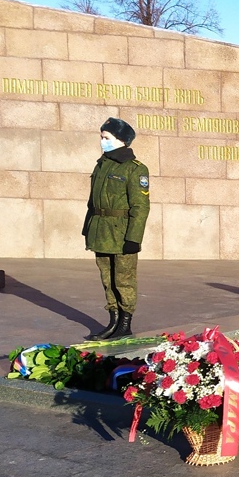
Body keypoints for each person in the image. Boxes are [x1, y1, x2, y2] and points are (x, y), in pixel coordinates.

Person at [83, 117, 150, 340]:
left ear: (121, 140)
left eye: (106, 137)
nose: (102, 141)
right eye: (102, 137)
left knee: (123, 279)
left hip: (122, 233)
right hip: (101, 230)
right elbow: (92, 203)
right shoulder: (101, 165)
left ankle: (125, 322)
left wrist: (134, 238)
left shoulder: (135, 169)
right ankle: (113, 320)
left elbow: (140, 207)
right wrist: (88, 228)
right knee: (106, 277)